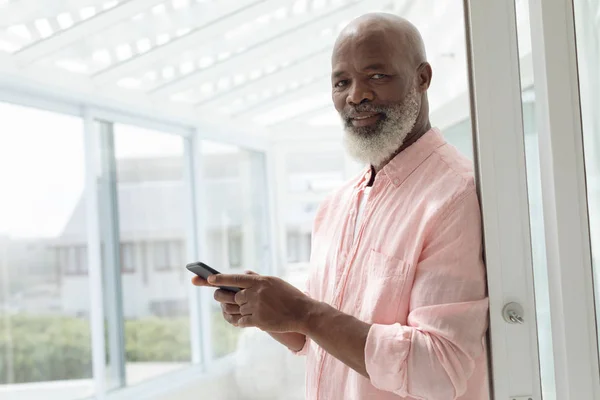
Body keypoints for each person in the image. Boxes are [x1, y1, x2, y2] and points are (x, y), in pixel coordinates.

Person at [192, 13, 489, 400]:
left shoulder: (454, 195)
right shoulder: (336, 206)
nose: (356, 95)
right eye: (341, 82)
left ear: (422, 78)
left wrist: (304, 312)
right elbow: (318, 335)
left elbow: (440, 370)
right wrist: (268, 309)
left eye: (377, 76)